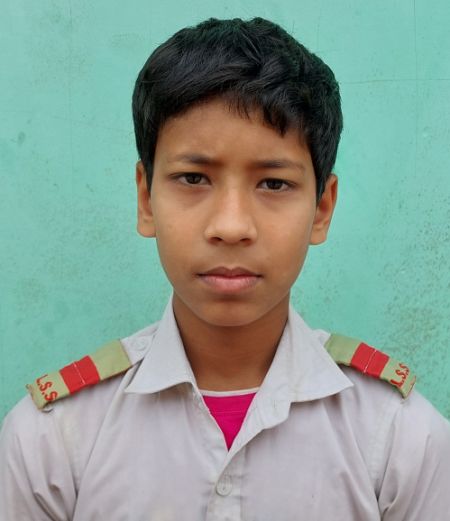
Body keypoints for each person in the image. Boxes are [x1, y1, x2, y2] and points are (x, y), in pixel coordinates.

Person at [1, 16, 449, 521]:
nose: (231, 226)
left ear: (322, 208)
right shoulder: (50, 443)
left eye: (274, 184)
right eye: (193, 178)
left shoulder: (400, 441)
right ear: (146, 199)